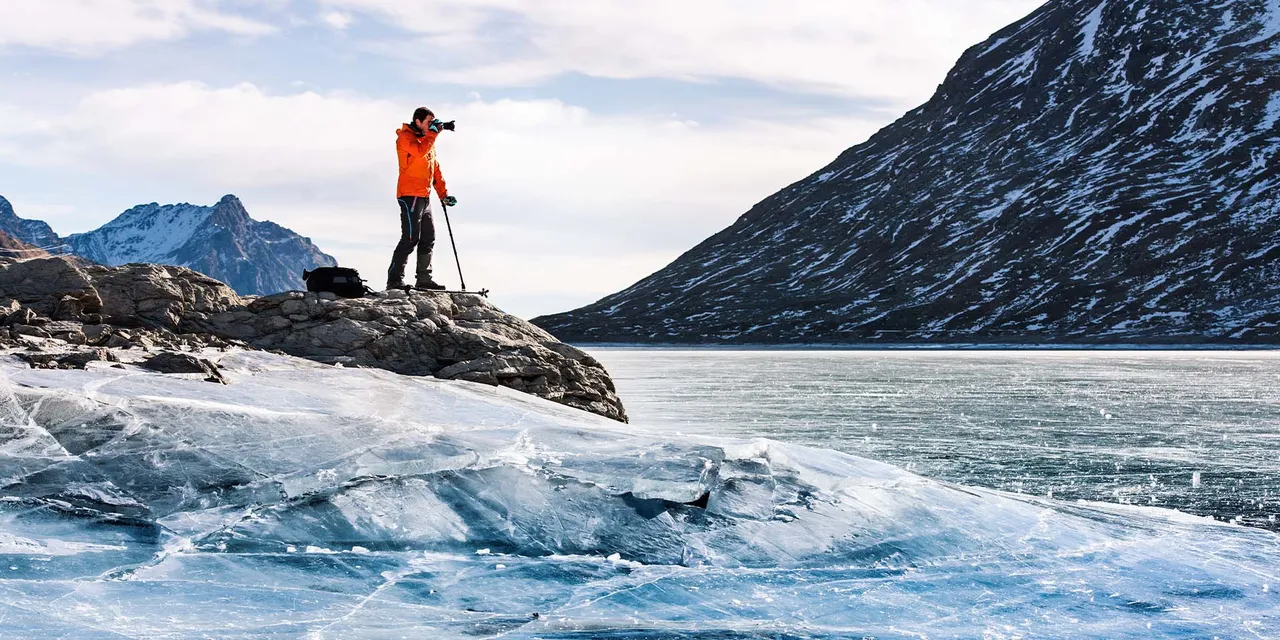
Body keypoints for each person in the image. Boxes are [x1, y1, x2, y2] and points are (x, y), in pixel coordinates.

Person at [388, 106, 457, 290]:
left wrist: (444, 195)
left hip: (424, 196)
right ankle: (394, 280)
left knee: (429, 237)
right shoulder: (405, 138)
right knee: (410, 238)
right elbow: (419, 152)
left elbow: (435, 171)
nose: (431, 126)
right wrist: (433, 134)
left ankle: (424, 279)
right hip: (409, 195)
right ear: (417, 122)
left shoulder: (427, 141)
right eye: (428, 122)